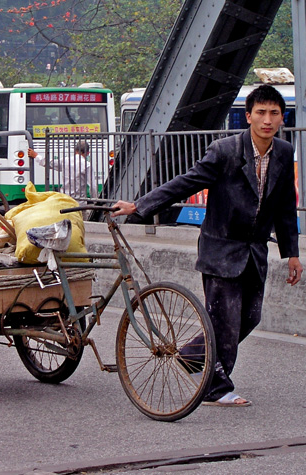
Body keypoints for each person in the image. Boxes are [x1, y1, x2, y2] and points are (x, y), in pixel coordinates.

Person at [111, 85, 302, 407]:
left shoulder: (282, 152)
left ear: (282, 118)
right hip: (220, 249)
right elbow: (187, 181)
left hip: (254, 250)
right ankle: (216, 387)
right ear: (249, 116)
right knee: (224, 321)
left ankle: (191, 357)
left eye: (273, 113)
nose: (267, 120)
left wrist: (292, 253)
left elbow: (284, 207)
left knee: (250, 318)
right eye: (261, 113)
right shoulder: (225, 150)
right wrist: (140, 205)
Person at [29, 140, 91, 217]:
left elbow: (49, 163)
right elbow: (93, 186)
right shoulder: (87, 165)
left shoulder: (65, 161)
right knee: (80, 225)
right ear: (88, 153)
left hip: (65, 200)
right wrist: (96, 201)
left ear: (75, 151)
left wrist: (36, 156)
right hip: (79, 203)